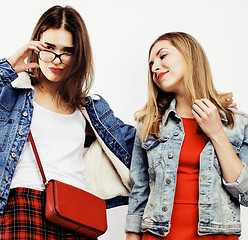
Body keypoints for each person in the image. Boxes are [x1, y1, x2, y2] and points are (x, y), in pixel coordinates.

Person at [0, 5, 135, 239]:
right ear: (35, 46)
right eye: (49, 48)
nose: (56, 59)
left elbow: (141, 142)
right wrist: (7, 67)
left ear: (78, 55)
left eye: (67, 51)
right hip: (23, 204)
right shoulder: (13, 93)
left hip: (74, 211)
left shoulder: (88, 108)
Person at [125, 32, 248, 240]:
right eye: (151, 64)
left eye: (162, 56)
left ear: (189, 55)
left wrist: (217, 132)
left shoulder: (236, 122)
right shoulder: (148, 124)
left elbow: (245, 194)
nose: (155, 68)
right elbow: (139, 191)